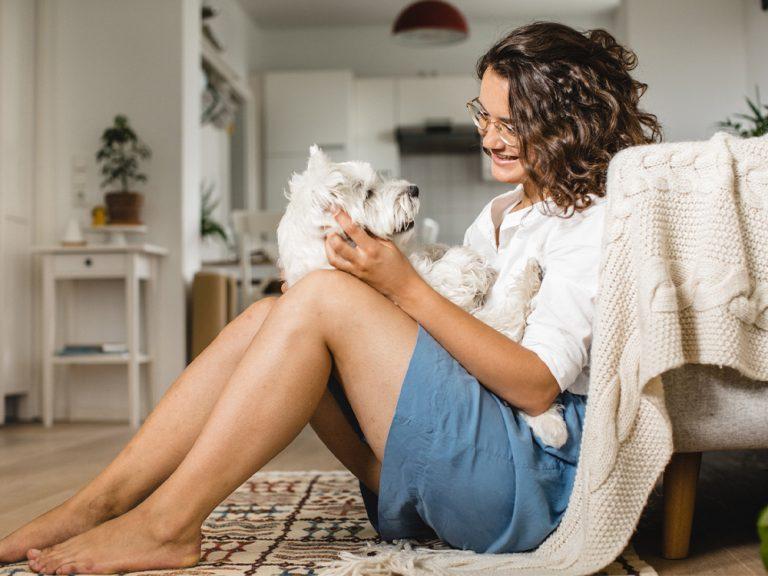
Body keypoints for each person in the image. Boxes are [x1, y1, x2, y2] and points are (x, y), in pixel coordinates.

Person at [0, 21, 661, 574]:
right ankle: (99, 504)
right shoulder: (500, 214)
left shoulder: (594, 218)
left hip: (521, 483)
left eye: (511, 122)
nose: (488, 135)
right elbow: (459, 339)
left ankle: (166, 525)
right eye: (483, 115)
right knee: (271, 314)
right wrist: (370, 287)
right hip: (459, 461)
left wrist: (398, 285)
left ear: (566, 121)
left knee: (319, 300)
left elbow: (538, 385)